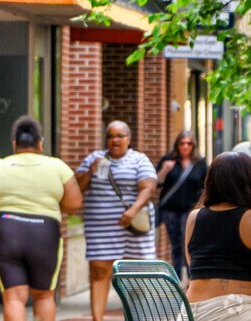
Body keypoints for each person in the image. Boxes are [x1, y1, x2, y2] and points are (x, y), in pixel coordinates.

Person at [0, 116, 82, 321]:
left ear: (14, 144)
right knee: (44, 295)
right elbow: (74, 204)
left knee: (13, 297)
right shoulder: (58, 166)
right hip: (45, 231)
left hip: (6, 229)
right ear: (40, 144)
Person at [74, 120, 157, 321]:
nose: (115, 140)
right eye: (110, 136)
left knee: (134, 275)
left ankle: (136, 317)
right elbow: (76, 188)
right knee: (99, 272)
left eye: (120, 136)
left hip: (134, 225)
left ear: (129, 139)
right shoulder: (95, 158)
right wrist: (90, 171)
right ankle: (97, 318)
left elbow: (148, 187)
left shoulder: (139, 159)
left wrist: (132, 210)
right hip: (101, 227)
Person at [185, 151, 251, 320]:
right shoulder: (248, 217)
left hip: (190, 313)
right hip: (235, 311)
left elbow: (194, 265)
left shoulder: (194, 217)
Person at [155, 131, 207, 279]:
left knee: (187, 243)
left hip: (190, 210)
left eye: (188, 143)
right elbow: (157, 182)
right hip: (170, 209)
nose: (185, 146)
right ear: (177, 145)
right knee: (176, 243)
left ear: (193, 145)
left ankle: (192, 278)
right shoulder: (168, 160)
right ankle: (177, 278)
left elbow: (206, 185)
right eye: (182, 143)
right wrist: (165, 170)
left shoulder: (200, 163)